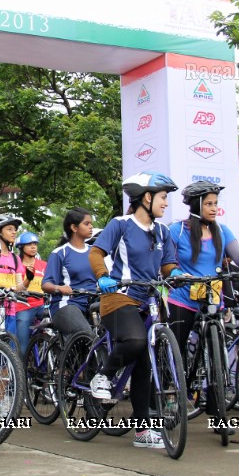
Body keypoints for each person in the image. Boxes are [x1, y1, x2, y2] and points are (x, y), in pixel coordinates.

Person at [88, 172, 180, 449]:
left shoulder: (162, 231)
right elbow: (95, 253)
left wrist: (178, 275)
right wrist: (103, 275)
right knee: (136, 341)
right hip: (119, 297)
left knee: (145, 364)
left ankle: (142, 431)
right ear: (147, 197)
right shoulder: (121, 224)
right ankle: (102, 374)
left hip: (150, 301)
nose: (166, 203)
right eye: (163, 198)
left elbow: (167, 266)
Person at [167, 181, 239, 362]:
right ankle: (176, 385)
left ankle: (217, 386)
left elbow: (238, 255)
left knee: (217, 354)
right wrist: (174, 273)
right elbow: (166, 261)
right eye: (209, 204)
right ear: (196, 205)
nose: (214, 208)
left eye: (215, 203)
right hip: (183, 298)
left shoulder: (222, 230)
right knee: (178, 352)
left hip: (213, 297)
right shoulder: (177, 230)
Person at [42, 208, 96, 339]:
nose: (91, 227)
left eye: (91, 223)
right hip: (67, 304)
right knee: (86, 336)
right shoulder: (60, 253)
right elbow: (45, 285)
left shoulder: (95, 252)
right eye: (87, 223)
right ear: (74, 227)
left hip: (92, 303)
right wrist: (59, 288)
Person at [15, 231, 47, 356]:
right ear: (21, 247)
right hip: (24, 307)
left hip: (42, 305)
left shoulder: (44, 265)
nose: (33, 247)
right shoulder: (16, 265)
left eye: (35, 244)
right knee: (22, 346)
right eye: (29, 244)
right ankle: (21, 372)